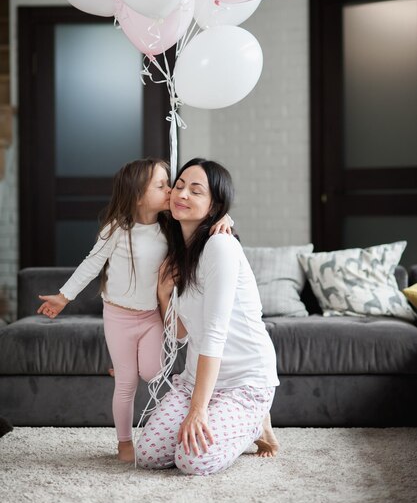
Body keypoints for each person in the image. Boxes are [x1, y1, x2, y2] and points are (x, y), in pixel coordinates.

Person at [37, 158, 231, 463]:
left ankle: (129, 364)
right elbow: (91, 263)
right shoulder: (117, 229)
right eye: (163, 185)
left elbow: (203, 222)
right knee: (126, 383)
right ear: (139, 195)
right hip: (118, 316)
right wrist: (64, 296)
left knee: (153, 372)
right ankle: (124, 442)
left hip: (151, 316)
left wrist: (227, 219)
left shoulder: (171, 228)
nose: (172, 191)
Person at [135, 158, 279, 475]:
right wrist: (162, 294)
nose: (182, 194)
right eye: (180, 185)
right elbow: (181, 335)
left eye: (196, 190)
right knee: (148, 456)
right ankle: (222, 416)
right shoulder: (178, 251)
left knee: (193, 461)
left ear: (214, 206)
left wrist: (198, 412)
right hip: (196, 382)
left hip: (244, 382)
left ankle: (256, 423)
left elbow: (215, 334)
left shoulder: (220, 246)